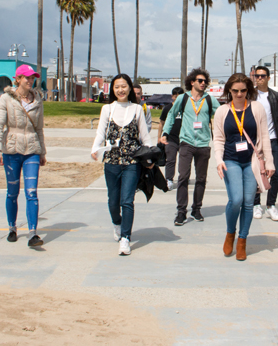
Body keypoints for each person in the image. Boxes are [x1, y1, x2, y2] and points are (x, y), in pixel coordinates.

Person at [91, 74, 156, 256]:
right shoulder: (107, 109)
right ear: (113, 89)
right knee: (113, 201)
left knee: (127, 201)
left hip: (132, 162)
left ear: (129, 88)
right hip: (111, 162)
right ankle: (117, 224)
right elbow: (100, 133)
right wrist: (95, 148)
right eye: (117, 87)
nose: (120, 90)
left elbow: (145, 136)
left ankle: (126, 238)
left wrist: (150, 157)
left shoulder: (137, 109)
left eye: (124, 86)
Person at [213, 73, 276, 261]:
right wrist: (219, 160)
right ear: (229, 91)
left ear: (248, 90)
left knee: (249, 202)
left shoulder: (256, 108)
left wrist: (270, 162)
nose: (239, 94)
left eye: (243, 90)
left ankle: (242, 240)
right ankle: (230, 233)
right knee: (236, 199)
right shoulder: (222, 111)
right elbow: (218, 138)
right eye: (235, 91)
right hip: (230, 160)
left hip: (252, 161)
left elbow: (265, 136)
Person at [0, 64, 47, 248]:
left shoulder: (37, 99)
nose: (30, 81)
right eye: (27, 77)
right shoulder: (6, 99)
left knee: (31, 192)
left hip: (31, 149)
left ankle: (33, 233)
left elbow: (39, 128)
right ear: (18, 79)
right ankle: (12, 228)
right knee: (12, 192)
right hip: (12, 150)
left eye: (32, 78)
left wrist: (42, 152)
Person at [161, 68, 218, 226]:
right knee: (183, 177)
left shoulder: (209, 99)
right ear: (192, 82)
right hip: (186, 143)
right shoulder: (183, 98)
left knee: (201, 179)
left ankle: (196, 209)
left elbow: (221, 114)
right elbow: (172, 115)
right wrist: (165, 132)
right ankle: (181, 211)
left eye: (205, 81)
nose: (203, 83)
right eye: (200, 81)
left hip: (203, 144)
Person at [251, 66, 278, 221]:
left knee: (276, 173)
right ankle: (255, 204)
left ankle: (271, 205)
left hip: (273, 139)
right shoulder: (249, 95)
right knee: (255, 173)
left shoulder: (276, 96)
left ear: (268, 78)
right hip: (254, 141)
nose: (260, 78)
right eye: (257, 76)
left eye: (263, 76)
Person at [158, 86, 185, 190]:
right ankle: (169, 179)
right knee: (170, 160)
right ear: (172, 96)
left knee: (184, 161)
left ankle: (183, 179)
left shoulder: (185, 108)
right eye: (175, 96)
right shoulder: (168, 108)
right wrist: (160, 137)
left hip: (183, 138)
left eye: (180, 96)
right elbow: (161, 123)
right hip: (170, 139)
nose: (177, 98)